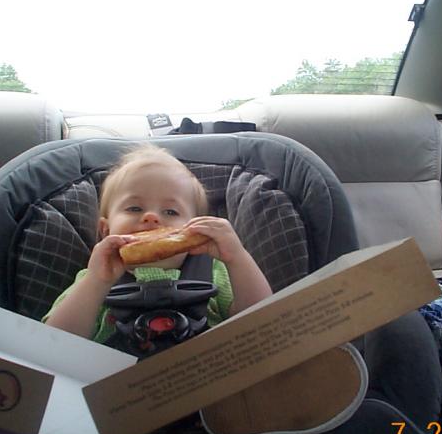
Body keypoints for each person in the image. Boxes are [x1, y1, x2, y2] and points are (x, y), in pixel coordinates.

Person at [44, 144, 272, 341]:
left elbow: (263, 320)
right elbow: (55, 343)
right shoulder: (95, 277)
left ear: (196, 229)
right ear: (106, 231)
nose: (151, 217)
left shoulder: (215, 270)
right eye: (134, 208)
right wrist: (96, 283)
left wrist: (237, 258)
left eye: (171, 212)